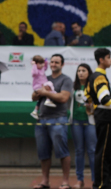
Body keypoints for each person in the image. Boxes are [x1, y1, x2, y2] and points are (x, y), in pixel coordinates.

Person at [32, 54, 73, 189]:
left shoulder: (66, 80)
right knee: (43, 153)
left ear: (62, 64)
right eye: (52, 62)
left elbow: (63, 98)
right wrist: (39, 91)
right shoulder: (44, 78)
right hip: (41, 119)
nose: (53, 64)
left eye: (57, 62)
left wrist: (45, 92)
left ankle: (65, 182)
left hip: (58, 120)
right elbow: (33, 97)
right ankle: (45, 181)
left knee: (62, 152)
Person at [84, 48, 111, 189]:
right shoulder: (100, 77)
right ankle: (101, 184)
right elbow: (105, 99)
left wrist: (93, 108)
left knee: (103, 151)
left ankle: (102, 183)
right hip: (106, 117)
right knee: (104, 152)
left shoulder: (93, 76)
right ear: (101, 60)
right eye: (108, 57)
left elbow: (86, 95)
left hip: (100, 116)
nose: (110, 60)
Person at [71, 63, 96, 188]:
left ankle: (95, 180)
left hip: (90, 121)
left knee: (92, 150)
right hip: (76, 121)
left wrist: (91, 106)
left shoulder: (93, 86)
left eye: (83, 70)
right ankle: (80, 180)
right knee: (79, 151)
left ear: (89, 72)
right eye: (79, 70)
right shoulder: (73, 86)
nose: (80, 73)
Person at [30, 55, 56, 120]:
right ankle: (48, 100)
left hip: (43, 85)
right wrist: (34, 65)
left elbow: (46, 67)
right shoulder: (35, 70)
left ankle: (35, 111)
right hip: (38, 86)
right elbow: (34, 73)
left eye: (42, 63)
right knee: (50, 84)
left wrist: (46, 62)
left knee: (40, 99)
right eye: (40, 63)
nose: (42, 65)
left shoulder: (42, 69)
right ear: (36, 63)